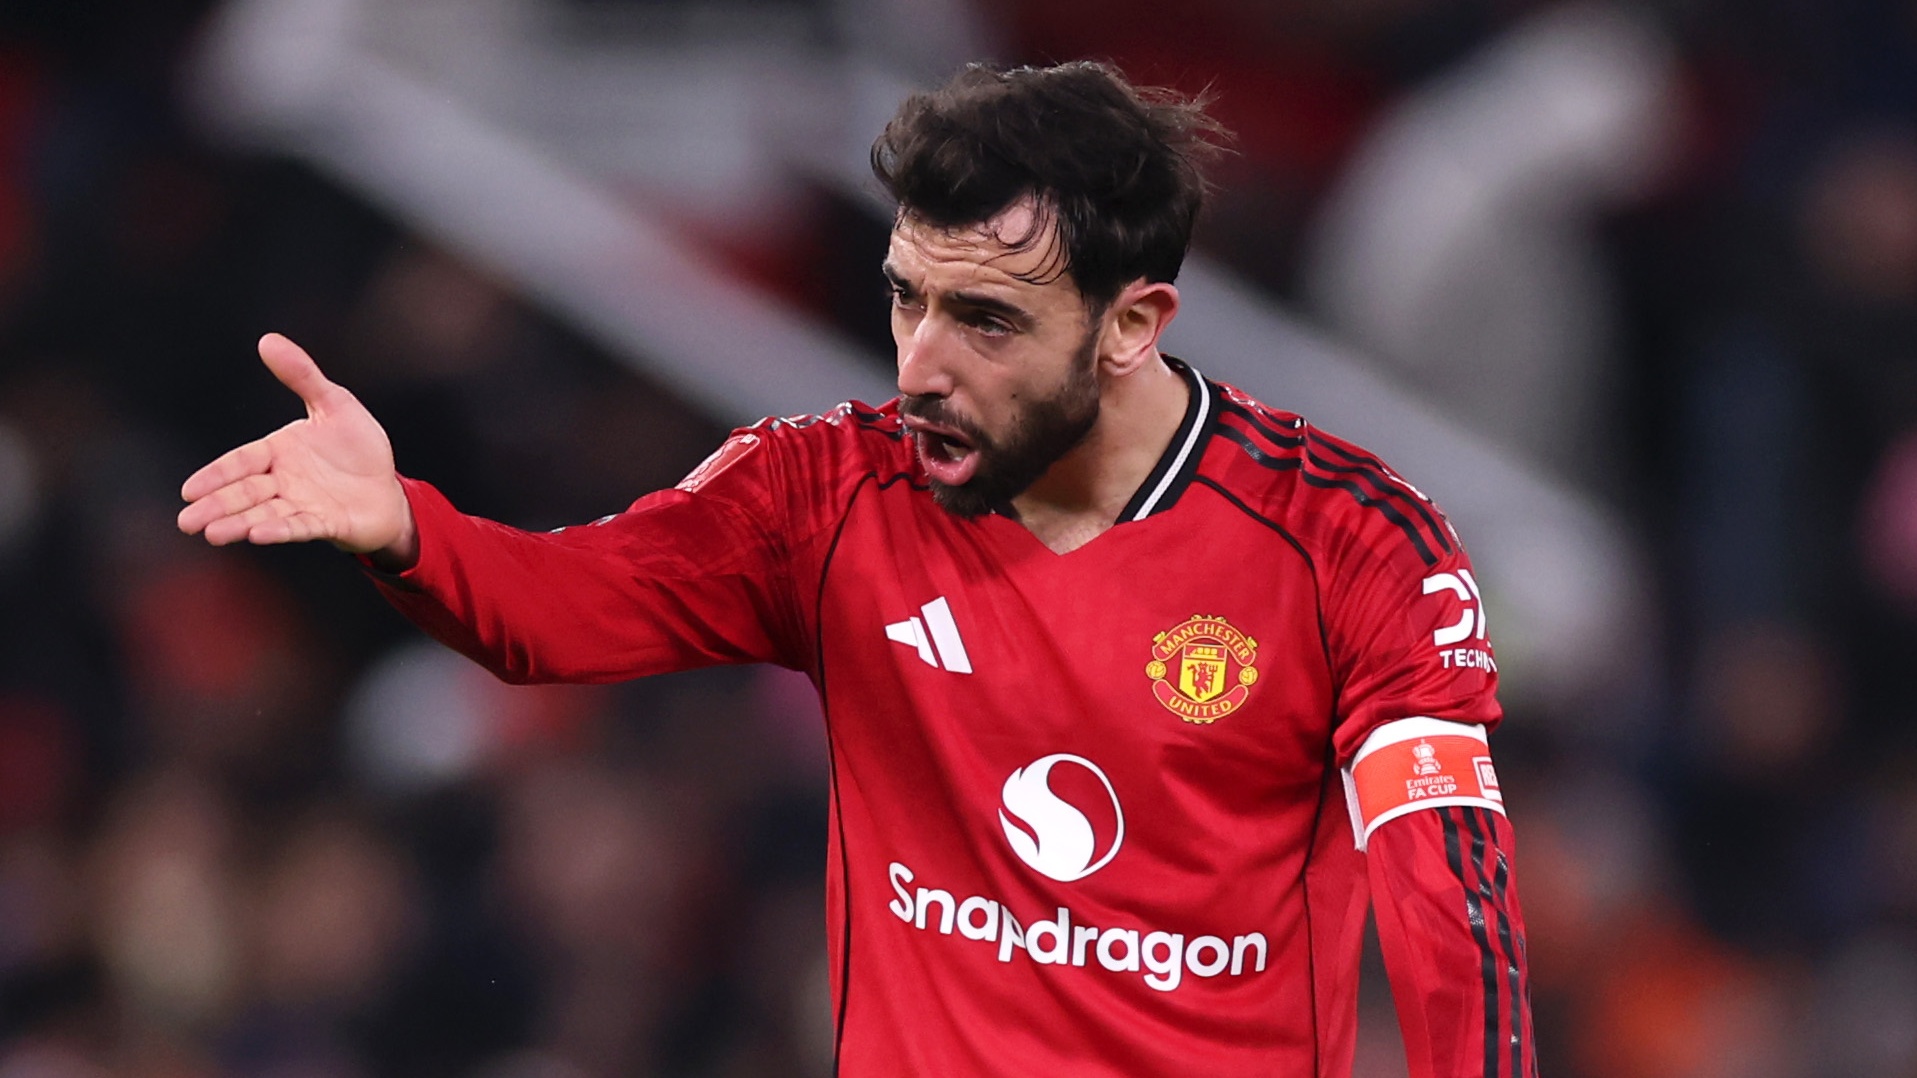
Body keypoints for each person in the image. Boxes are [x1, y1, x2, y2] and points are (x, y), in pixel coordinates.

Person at [179, 61, 1534, 1077]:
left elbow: (1448, 906)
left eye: (985, 319)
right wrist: (406, 525)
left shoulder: (1350, 546)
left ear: (1130, 325)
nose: (920, 365)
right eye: (905, 297)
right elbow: (565, 608)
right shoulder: (823, 493)